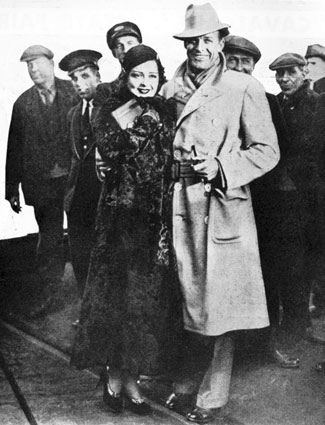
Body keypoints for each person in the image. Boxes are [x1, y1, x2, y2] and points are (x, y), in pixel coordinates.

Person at [161, 4, 279, 424]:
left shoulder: (242, 87)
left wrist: (224, 167)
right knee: (186, 303)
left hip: (221, 207)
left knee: (220, 307)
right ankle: (185, 384)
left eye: (206, 40)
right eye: (191, 41)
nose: (198, 48)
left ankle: (211, 397)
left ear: (220, 41)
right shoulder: (169, 88)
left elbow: (267, 150)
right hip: (177, 205)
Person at [70, 44, 182, 416]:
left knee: (143, 305)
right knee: (117, 301)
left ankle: (130, 378)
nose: (145, 83)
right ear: (126, 77)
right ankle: (114, 379)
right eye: (137, 75)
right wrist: (142, 121)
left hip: (155, 221)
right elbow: (113, 151)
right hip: (119, 221)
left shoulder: (167, 110)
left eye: (152, 76)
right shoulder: (110, 108)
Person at [223, 35, 300, 369]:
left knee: (265, 274)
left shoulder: (269, 101)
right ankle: (228, 353)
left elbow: (280, 152)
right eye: (233, 60)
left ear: (253, 66)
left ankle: (265, 345)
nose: (240, 67)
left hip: (263, 204)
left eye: (246, 62)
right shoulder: (214, 98)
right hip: (224, 201)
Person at [5, 45, 78, 318]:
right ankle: (46, 297)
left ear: (51, 63)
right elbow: (15, 148)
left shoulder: (74, 92)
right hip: (42, 186)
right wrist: (11, 189)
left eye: (37, 63)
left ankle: (89, 301)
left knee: (83, 237)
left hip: (74, 182)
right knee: (49, 242)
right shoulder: (22, 104)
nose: (34, 69)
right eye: (29, 65)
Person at [269, 53, 322, 343]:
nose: (284, 79)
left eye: (290, 72)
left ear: (304, 72)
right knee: (289, 260)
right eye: (280, 74)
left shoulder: (316, 104)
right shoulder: (277, 103)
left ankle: (300, 323)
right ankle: (294, 321)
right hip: (284, 195)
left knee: (302, 261)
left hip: (307, 195)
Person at [58, 50, 103, 321]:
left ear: (98, 76)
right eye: (74, 78)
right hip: (77, 200)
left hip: (103, 196)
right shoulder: (73, 114)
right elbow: (70, 156)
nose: (79, 83)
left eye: (85, 75)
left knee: (104, 258)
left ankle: (104, 318)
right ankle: (87, 314)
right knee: (81, 258)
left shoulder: (111, 109)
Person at [93, 21, 142, 181]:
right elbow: (100, 132)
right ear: (114, 53)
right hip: (121, 174)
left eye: (130, 43)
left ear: (140, 45)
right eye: (119, 46)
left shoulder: (163, 86)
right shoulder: (106, 92)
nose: (125, 49)